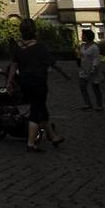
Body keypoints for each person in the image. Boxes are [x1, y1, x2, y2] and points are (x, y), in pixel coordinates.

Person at [9, 18, 70, 152]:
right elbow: (53, 63)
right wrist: (65, 74)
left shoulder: (17, 48)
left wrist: (9, 82)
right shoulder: (39, 47)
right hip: (38, 82)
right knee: (36, 111)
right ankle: (31, 142)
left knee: (41, 109)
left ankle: (53, 137)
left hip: (24, 82)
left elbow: (13, 65)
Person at [77, 29, 104, 111]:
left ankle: (99, 105)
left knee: (95, 88)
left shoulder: (94, 48)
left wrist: (94, 69)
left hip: (93, 70)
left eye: (83, 35)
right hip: (84, 70)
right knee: (82, 86)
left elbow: (96, 59)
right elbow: (81, 56)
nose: (81, 37)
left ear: (87, 36)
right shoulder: (82, 46)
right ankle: (87, 103)